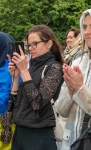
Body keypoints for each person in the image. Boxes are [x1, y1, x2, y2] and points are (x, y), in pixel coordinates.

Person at [8, 24, 64, 150]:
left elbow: (37, 104)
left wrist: (24, 71)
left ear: (49, 44)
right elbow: (14, 105)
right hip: (20, 132)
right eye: (29, 45)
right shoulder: (30, 67)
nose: (31, 48)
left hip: (39, 135)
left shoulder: (54, 68)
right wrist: (16, 78)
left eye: (35, 44)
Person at [55, 9, 91, 150]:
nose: (87, 32)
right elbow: (61, 110)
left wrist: (80, 88)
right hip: (70, 143)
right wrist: (70, 91)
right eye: (85, 27)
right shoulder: (77, 63)